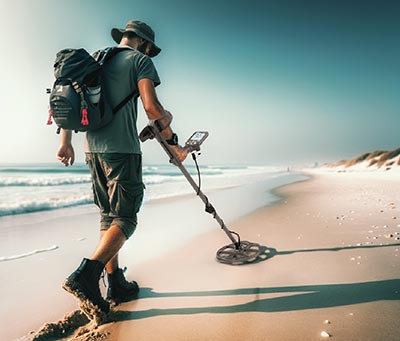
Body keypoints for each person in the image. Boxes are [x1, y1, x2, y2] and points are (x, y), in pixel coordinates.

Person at [56, 20, 188, 314]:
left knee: (108, 215)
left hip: (92, 150)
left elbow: (69, 103)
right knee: (126, 218)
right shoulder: (140, 61)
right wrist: (172, 138)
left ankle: (116, 282)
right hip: (123, 149)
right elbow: (152, 110)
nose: (149, 52)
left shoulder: (95, 59)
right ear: (143, 43)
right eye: (150, 48)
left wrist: (66, 143)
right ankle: (87, 275)